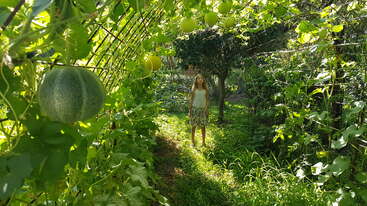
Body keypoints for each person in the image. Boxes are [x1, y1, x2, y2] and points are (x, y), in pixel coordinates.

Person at [189, 74, 209, 147]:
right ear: (196, 80)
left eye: (201, 78)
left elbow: (207, 100)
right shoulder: (194, 89)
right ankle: (192, 142)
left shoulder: (205, 90)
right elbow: (191, 100)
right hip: (194, 109)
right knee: (193, 126)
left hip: (202, 110)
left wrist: (206, 109)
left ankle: (203, 142)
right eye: (198, 78)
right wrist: (190, 110)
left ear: (203, 80)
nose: (200, 80)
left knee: (203, 127)